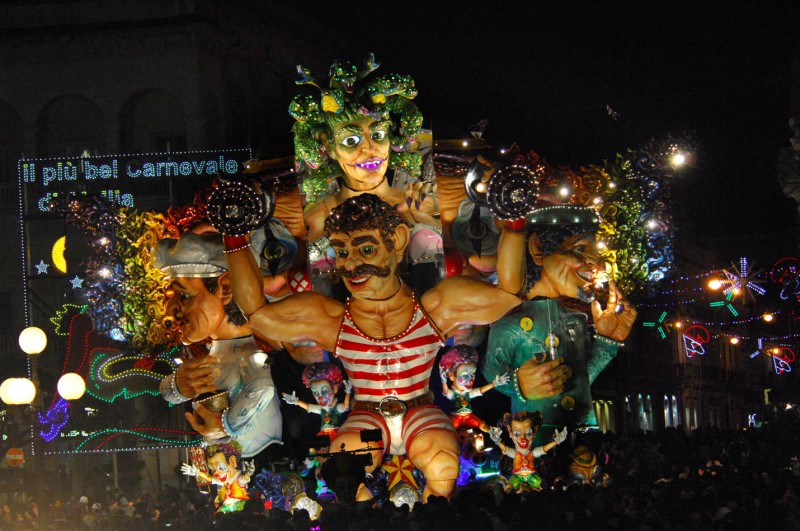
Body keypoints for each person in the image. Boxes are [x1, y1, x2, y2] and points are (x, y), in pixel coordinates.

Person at [219, 193, 522, 501]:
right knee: (346, 468)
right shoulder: (331, 319)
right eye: (341, 252)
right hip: (368, 419)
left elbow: (509, 293)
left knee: (443, 468)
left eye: (366, 248)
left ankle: (434, 517)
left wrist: (514, 219)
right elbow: (257, 314)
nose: (352, 265)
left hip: (419, 410)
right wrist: (234, 236)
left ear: (399, 240)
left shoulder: (436, 308)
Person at [483, 201, 637, 441]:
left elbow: (580, 378)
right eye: (580, 249)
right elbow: (492, 370)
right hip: (532, 438)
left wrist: (608, 341)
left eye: (596, 253)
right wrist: (518, 384)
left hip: (583, 435)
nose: (599, 264)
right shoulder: (510, 322)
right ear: (538, 248)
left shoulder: (575, 319)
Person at [155, 231, 282, 458]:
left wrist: (227, 426)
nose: (171, 312)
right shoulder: (215, 354)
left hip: (262, 460)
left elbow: (262, 387)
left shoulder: (248, 353)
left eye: (184, 296)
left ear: (225, 288)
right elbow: (171, 394)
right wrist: (176, 386)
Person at [288, 54, 438, 245]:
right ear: (327, 145)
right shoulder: (316, 217)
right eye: (351, 140)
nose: (369, 148)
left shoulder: (417, 203)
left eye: (378, 136)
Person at [489, 411, 567, 493]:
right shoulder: (515, 454)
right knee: (509, 487)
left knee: (542, 486)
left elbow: (544, 449)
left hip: (532, 476)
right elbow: (505, 449)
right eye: (516, 434)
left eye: (528, 433)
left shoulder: (533, 453)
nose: (523, 439)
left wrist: (556, 441)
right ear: (510, 432)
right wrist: (497, 441)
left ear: (535, 431)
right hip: (517, 476)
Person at [438, 344, 508, 434]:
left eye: (472, 374)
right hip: (456, 418)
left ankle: (493, 433)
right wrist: (443, 381)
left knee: (482, 425)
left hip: (469, 417)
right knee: (450, 432)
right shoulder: (454, 394)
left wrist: (495, 383)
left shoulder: (468, 393)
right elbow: (445, 392)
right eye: (464, 375)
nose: (470, 380)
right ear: (451, 376)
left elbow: (480, 390)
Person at [282, 362, 353, 442]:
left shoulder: (336, 407)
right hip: (323, 435)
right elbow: (308, 407)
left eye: (325, 391)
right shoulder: (321, 409)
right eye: (315, 392)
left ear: (335, 389)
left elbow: (345, 406)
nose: (320, 397)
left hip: (336, 434)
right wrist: (296, 401)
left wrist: (348, 392)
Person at [181, 443, 254, 513]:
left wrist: (249, 473)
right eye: (212, 469)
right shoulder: (224, 480)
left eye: (220, 468)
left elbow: (244, 478)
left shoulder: (238, 478)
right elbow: (209, 478)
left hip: (239, 508)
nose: (215, 473)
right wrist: (197, 472)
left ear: (232, 461)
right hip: (227, 507)